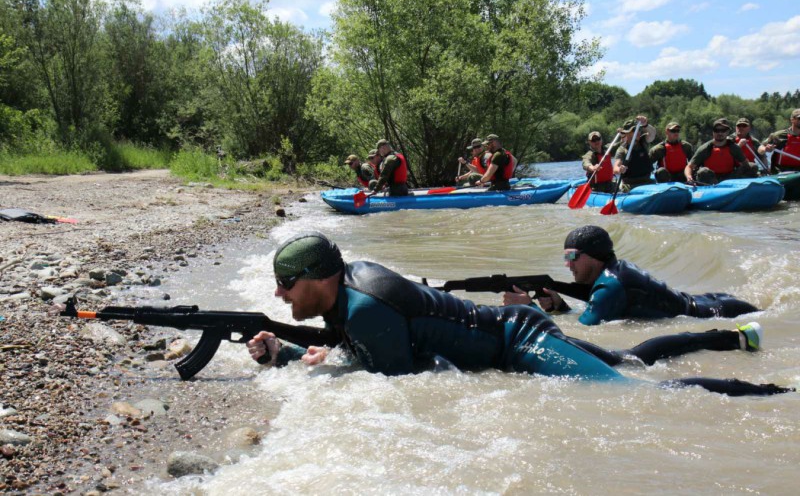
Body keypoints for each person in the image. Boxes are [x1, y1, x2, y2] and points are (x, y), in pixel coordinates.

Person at [246, 232, 792, 397]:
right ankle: (732, 338)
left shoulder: (365, 308)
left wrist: (302, 356)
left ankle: (773, 394)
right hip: (514, 334)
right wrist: (290, 350)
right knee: (631, 360)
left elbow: (393, 383)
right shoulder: (350, 287)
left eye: (286, 285)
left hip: (519, 341)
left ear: (320, 279)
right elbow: (359, 351)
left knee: (635, 390)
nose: (279, 294)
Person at [502, 225, 758, 327]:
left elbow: (581, 335)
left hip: (722, 312)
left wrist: (529, 310)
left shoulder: (610, 286)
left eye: (571, 257)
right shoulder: (612, 272)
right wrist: (560, 305)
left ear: (592, 255)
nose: (567, 265)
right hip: (712, 302)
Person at [686, 118, 757, 185]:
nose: (720, 133)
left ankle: (749, 190)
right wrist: (689, 176)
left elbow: (745, 164)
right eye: (717, 130)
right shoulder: (705, 148)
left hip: (730, 178)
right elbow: (689, 167)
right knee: (703, 171)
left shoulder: (734, 147)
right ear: (713, 132)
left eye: (723, 130)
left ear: (727, 132)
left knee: (752, 166)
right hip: (711, 179)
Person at [613, 115, 657, 191]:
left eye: (638, 129)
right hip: (631, 184)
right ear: (627, 133)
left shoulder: (643, 141)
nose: (638, 132)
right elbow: (615, 168)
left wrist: (645, 124)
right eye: (634, 130)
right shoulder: (622, 149)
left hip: (646, 181)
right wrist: (620, 169)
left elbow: (653, 134)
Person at [758, 108, 800, 173]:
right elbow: (760, 149)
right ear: (792, 120)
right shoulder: (779, 135)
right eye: (799, 119)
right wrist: (765, 149)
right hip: (782, 171)